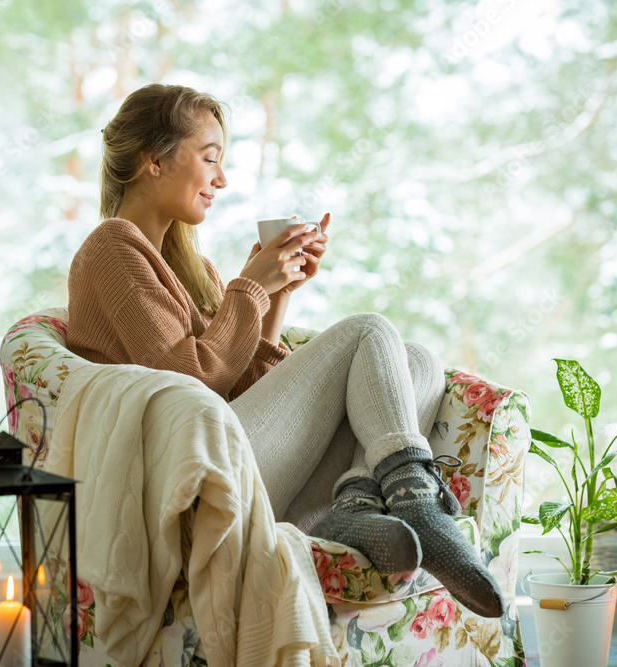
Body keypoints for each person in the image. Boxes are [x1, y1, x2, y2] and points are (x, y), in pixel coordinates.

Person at [66, 83, 503, 618]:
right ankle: (417, 501)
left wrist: (274, 297)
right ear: (153, 159)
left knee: (419, 363)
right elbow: (189, 388)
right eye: (210, 159)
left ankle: (357, 505)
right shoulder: (111, 248)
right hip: (185, 494)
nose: (221, 180)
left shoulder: (192, 270)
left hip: (234, 464)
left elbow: (241, 391)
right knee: (368, 329)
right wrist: (249, 287)